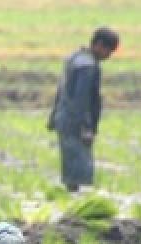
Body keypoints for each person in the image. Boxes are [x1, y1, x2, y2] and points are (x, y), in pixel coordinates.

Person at [47, 27, 119, 192]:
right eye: (109, 51)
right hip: (75, 123)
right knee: (78, 170)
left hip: (64, 118)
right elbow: (82, 100)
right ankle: (74, 209)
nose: (109, 56)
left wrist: (53, 117)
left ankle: (72, 206)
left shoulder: (75, 58)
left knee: (71, 165)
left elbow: (61, 91)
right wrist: (86, 128)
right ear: (99, 45)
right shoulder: (88, 67)